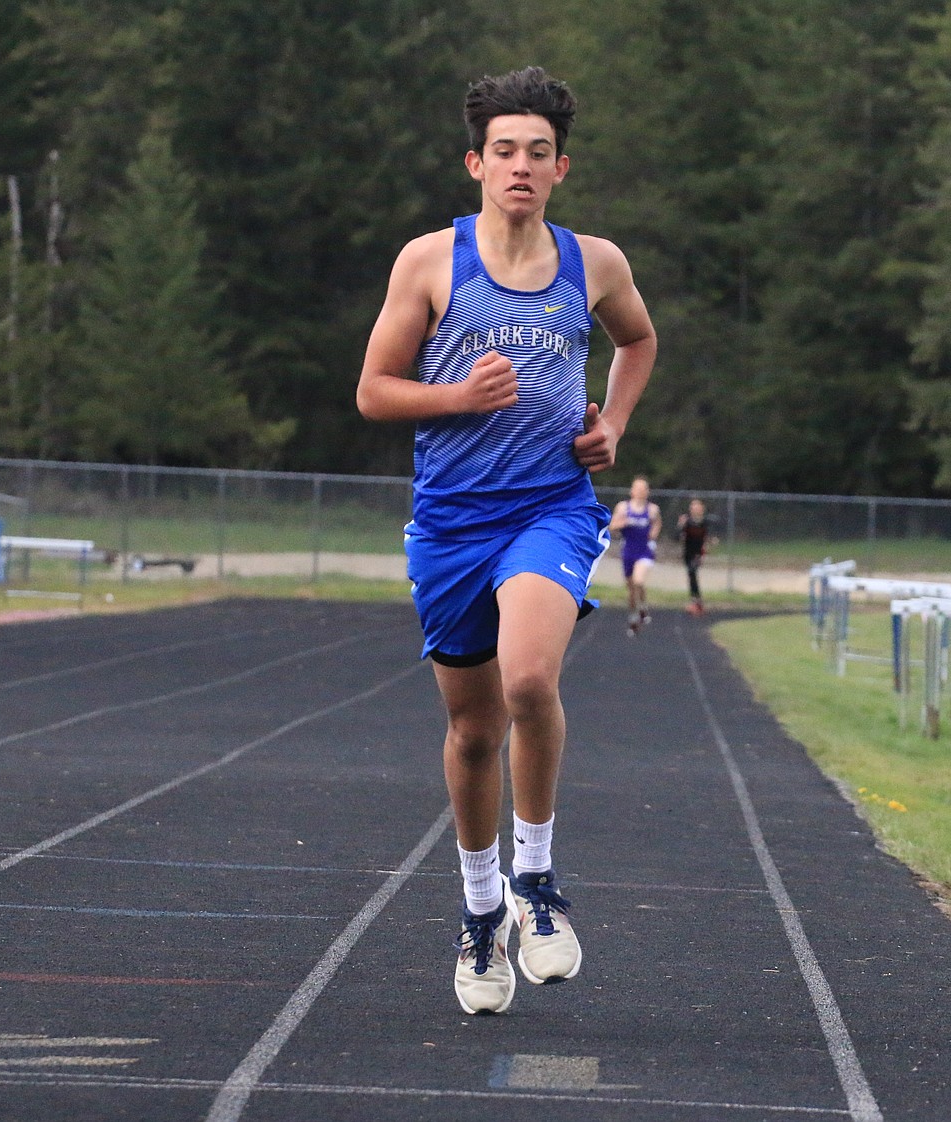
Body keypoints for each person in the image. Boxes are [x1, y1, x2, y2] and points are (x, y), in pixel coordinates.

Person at [356, 66, 656, 1015]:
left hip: (551, 509)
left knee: (530, 680)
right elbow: (373, 391)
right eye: (504, 152)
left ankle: (535, 881)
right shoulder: (429, 264)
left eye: (538, 153)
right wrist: (456, 397)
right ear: (475, 163)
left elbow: (639, 340)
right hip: (451, 522)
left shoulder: (593, 263)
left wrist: (611, 421)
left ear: (560, 167)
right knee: (474, 729)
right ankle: (481, 911)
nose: (519, 167)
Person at [609, 475, 662, 635]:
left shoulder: (652, 509)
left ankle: (642, 607)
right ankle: (634, 615)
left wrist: (653, 533)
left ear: (648, 491)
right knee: (632, 588)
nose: (640, 492)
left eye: (643, 489)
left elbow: (658, 522)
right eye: (637, 488)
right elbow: (612, 526)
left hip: (644, 550)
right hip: (628, 550)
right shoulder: (623, 508)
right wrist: (622, 523)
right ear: (632, 491)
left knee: (639, 581)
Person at [677, 497, 715, 615]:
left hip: (699, 553)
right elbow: (676, 537)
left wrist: (710, 542)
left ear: (702, 509)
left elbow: (709, 536)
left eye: (698, 507)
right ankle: (696, 600)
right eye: (693, 507)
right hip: (688, 552)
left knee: (692, 571)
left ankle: (696, 601)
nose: (695, 510)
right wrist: (680, 525)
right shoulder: (687, 522)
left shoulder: (705, 522)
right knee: (691, 574)